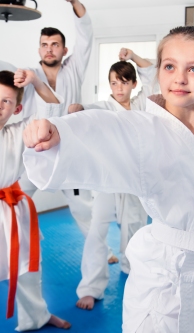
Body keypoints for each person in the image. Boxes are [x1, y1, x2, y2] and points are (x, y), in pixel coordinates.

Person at [22, 22, 194, 332]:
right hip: (164, 283)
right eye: (170, 66)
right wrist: (56, 134)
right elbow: (100, 129)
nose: (179, 78)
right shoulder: (142, 129)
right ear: (158, 71)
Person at [69, 47, 157, 310]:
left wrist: (132, 56)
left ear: (133, 84)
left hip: (135, 175)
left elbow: (152, 74)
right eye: (113, 82)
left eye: (123, 82)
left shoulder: (143, 103)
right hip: (107, 176)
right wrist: (78, 107)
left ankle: (133, 270)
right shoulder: (104, 106)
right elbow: (86, 110)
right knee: (98, 227)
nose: (118, 87)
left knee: (135, 226)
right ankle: (91, 287)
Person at [18, 0, 94, 243]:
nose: (49, 49)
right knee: (15, 200)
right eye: (44, 45)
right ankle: (20, 247)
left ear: (65, 49)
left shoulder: (74, 69)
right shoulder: (29, 75)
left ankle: (101, 251)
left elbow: (86, 34)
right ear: (39, 49)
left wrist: (74, 3)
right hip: (33, 151)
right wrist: (19, 79)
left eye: (55, 45)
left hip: (67, 149)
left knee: (83, 208)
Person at [0, 70, 70, 331]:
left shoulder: (18, 132)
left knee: (27, 270)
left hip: (12, 209)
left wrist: (35, 81)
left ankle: (36, 317)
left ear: (17, 109)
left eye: (6, 101)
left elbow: (52, 110)